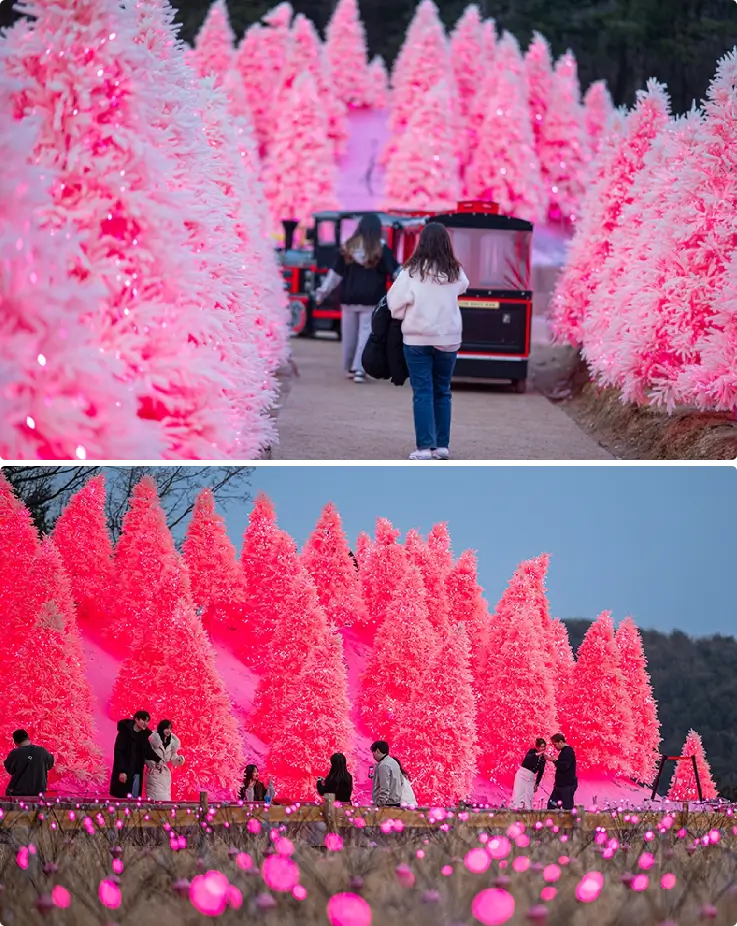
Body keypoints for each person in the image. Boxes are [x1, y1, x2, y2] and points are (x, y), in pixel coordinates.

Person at [387, 222, 469, 463]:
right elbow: (464, 286)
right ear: (446, 243)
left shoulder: (411, 271)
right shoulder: (455, 271)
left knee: (422, 392)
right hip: (448, 338)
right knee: (442, 391)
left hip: (417, 338)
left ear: (421, 242)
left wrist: (406, 314)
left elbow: (394, 304)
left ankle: (424, 447)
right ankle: (442, 446)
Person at [314, 213, 401, 383]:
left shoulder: (347, 248)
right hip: (371, 298)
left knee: (349, 335)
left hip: (348, 297)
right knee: (365, 334)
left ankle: (348, 367)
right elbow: (397, 273)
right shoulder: (381, 249)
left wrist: (322, 293)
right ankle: (359, 369)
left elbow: (335, 275)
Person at [110, 710, 160, 800]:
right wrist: (122, 771)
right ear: (136, 719)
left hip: (137, 772)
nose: (145, 723)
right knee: (123, 800)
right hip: (125, 771)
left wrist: (158, 759)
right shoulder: (124, 732)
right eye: (143, 720)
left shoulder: (143, 735)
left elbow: (148, 750)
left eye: (147, 721)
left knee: (135, 800)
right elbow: (119, 752)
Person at [4, 730, 54, 797]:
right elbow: (50, 765)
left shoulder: (15, 753)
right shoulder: (42, 751)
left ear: (15, 742)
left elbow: (10, 770)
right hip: (38, 793)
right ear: (28, 738)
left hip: (19, 793)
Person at [144, 719, 184, 802]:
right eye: (166, 728)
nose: (169, 731)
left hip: (165, 776)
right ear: (161, 728)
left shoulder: (171, 743)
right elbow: (146, 754)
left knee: (165, 801)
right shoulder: (153, 740)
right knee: (154, 800)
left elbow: (173, 758)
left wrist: (179, 760)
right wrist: (153, 764)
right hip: (154, 773)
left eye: (170, 729)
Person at [511, 738, 547, 809]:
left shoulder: (543, 759)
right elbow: (528, 758)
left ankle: (528, 813)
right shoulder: (532, 752)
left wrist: (537, 784)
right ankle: (516, 809)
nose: (543, 748)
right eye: (542, 747)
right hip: (522, 774)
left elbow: (541, 772)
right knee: (519, 794)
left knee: (529, 797)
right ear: (537, 747)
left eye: (544, 747)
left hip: (531, 778)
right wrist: (538, 754)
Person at [547, 733, 578, 810]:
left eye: (555, 744)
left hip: (566, 786)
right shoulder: (564, 752)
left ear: (561, 742)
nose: (555, 747)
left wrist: (554, 760)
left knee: (567, 808)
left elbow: (564, 766)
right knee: (552, 805)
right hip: (560, 785)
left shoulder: (568, 751)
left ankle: (569, 821)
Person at [370, 740, 403, 807]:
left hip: (386, 805)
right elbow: (401, 781)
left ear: (377, 751)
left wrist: (379, 804)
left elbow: (384, 787)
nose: (373, 756)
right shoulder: (394, 762)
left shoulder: (383, 765)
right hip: (396, 802)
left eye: (373, 753)